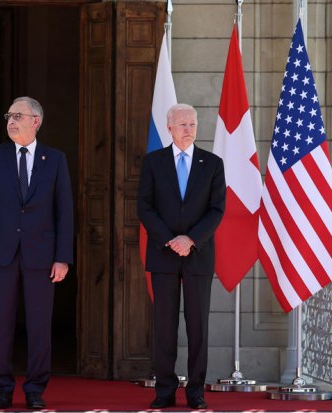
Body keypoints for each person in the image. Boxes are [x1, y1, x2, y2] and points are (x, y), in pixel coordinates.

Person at [0, 96, 74, 410]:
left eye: (18, 116)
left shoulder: (55, 159)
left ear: (35, 121)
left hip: (42, 256)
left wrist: (62, 257)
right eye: (9, 116)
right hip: (0, 254)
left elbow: (64, 211)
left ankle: (35, 390)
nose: (11, 121)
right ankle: (1, 389)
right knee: (1, 325)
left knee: (39, 325)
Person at [137, 103, 225, 410]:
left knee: (198, 327)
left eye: (192, 124)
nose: (188, 129)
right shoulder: (153, 162)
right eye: (183, 124)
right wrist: (169, 240)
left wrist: (191, 240)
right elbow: (145, 206)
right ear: (170, 128)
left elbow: (217, 209)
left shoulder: (212, 163)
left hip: (198, 255)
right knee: (164, 326)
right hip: (163, 254)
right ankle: (164, 391)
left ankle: (196, 393)